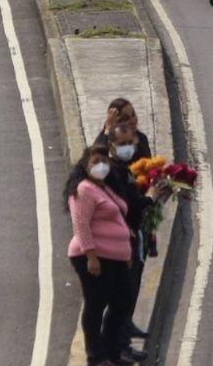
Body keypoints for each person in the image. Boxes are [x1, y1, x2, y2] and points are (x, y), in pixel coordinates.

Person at [65, 146, 133, 366]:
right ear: (86, 166)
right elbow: (81, 225)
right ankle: (96, 355)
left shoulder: (104, 188)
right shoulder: (83, 190)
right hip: (95, 257)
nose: (101, 165)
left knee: (121, 303)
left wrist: (126, 253)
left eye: (104, 160)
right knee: (96, 304)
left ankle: (111, 350)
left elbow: (118, 218)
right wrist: (91, 257)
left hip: (116, 258)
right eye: (96, 161)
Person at [102, 122, 154, 363]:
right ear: (111, 146)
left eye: (129, 143)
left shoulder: (125, 170)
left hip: (132, 236)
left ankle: (122, 345)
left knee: (127, 296)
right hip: (120, 242)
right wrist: (149, 200)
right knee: (119, 299)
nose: (127, 148)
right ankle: (114, 350)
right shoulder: (112, 173)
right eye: (121, 144)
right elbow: (127, 204)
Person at [95, 97, 152, 162]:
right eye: (126, 118)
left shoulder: (142, 138)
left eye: (133, 115)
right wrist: (108, 129)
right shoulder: (107, 141)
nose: (133, 120)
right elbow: (95, 157)